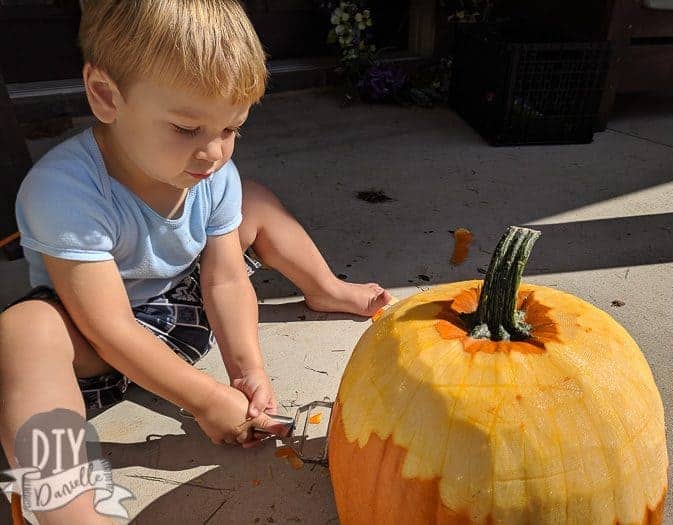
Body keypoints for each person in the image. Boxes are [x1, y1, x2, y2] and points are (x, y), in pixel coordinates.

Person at [0, 2, 391, 522]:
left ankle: (325, 286)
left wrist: (246, 370)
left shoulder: (213, 175)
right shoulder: (63, 190)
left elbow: (226, 280)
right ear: (105, 96)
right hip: (95, 346)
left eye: (232, 129)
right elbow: (109, 327)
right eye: (187, 129)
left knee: (251, 198)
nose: (214, 153)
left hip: (182, 312)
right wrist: (205, 399)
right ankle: (66, 505)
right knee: (24, 332)